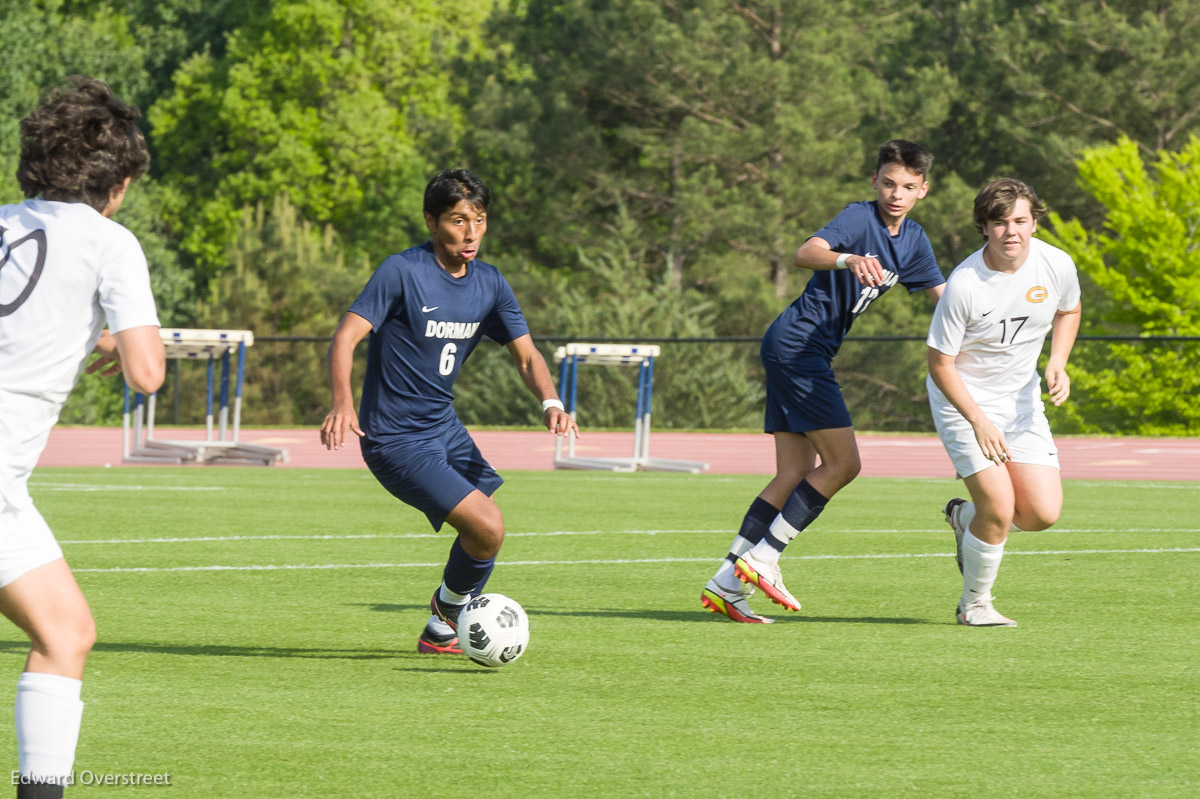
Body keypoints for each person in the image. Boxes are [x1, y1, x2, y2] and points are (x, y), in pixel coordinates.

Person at [320, 169, 577, 654]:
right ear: (431, 221)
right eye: (458, 221)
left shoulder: (491, 284)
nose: (471, 232)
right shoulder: (402, 271)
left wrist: (551, 401)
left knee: (486, 534)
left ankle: (441, 629)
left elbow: (526, 355)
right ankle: (449, 616)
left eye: (479, 220)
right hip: (396, 439)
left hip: (445, 430)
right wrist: (341, 401)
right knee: (488, 527)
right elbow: (345, 337)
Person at [0, 78, 165, 798]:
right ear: (118, 182)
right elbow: (148, 373)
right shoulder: (110, 242)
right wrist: (116, 339)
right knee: (64, 635)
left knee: (67, 628)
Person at [701, 140, 946, 623]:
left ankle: (728, 582)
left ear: (923, 190)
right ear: (874, 181)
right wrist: (847, 260)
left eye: (908, 187)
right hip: (799, 348)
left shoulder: (914, 241)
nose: (897, 194)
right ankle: (763, 560)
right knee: (844, 463)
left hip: (796, 349)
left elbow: (946, 299)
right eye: (889, 183)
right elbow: (806, 252)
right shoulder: (859, 219)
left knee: (793, 473)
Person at [927, 178, 1081, 627]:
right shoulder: (964, 285)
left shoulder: (1057, 264)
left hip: (1021, 403)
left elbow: (1068, 310)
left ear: (1034, 222)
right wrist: (977, 420)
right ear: (985, 227)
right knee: (999, 506)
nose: (1010, 232)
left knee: (1041, 514)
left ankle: (964, 519)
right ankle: (975, 605)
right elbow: (940, 365)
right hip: (963, 402)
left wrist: (1058, 360)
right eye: (999, 222)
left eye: (1020, 220)